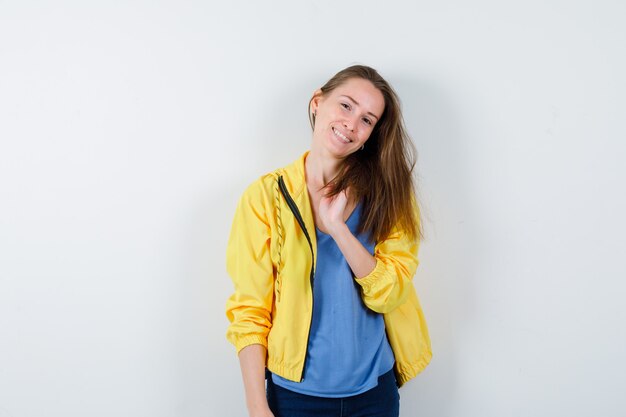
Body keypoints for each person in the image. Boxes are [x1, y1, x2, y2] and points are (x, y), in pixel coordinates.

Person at [225, 65, 432, 417]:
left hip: (374, 394)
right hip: (294, 397)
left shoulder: (390, 195)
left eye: (367, 120)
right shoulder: (264, 197)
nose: (352, 124)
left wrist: (338, 228)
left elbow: (390, 293)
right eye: (346, 106)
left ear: (371, 135)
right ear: (317, 102)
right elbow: (250, 312)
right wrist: (257, 406)